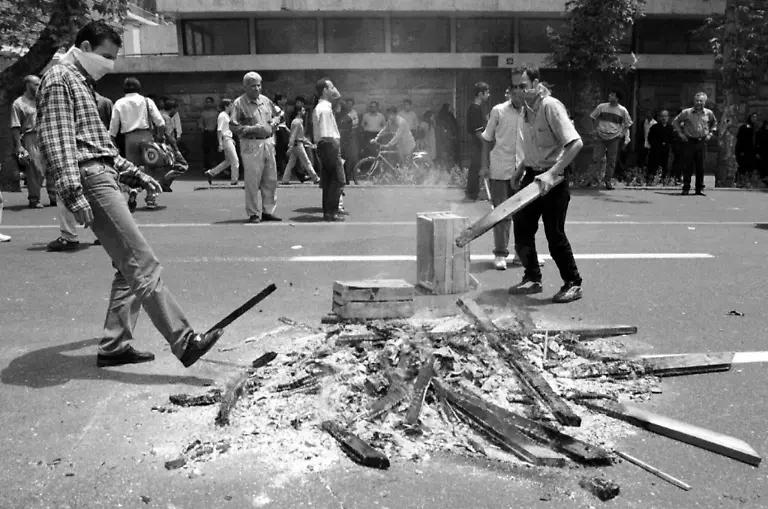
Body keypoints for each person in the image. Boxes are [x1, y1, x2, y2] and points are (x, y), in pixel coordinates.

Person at [36, 20, 224, 368]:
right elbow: (57, 141)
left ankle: (114, 346)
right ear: (86, 47)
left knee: (127, 268)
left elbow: (99, 145)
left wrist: (137, 174)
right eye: (106, 55)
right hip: (91, 178)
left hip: (101, 173)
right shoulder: (60, 78)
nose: (110, 63)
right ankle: (184, 341)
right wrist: (72, 192)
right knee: (141, 262)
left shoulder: (80, 82)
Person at [507, 66, 584, 304]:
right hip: (532, 176)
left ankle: (573, 283)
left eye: (523, 85)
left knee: (554, 234)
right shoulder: (524, 112)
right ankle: (532, 277)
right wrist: (520, 170)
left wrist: (552, 174)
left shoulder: (551, 106)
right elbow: (533, 148)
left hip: (554, 178)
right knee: (521, 226)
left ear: (536, 84)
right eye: (515, 87)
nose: (518, 91)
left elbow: (576, 144)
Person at [480, 85, 528, 271]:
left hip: (524, 170)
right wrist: (484, 166)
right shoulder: (498, 111)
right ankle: (500, 253)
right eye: (516, 94)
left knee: (524, 216)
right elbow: (486, 138)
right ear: (510, 93)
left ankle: (522, 254)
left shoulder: (532, 113)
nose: (519, 98)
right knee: (502, 214)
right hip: (501, 169)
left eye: (523, 95)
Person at [229, 72, 282, 223]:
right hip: (251, 144)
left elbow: (279, 114)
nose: (257, 88)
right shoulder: (239, 104)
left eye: (259, 85)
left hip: (268, 142)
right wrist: (252, 129)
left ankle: (268, 211)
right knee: (253, 180)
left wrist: (274, 122)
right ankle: (253, 213)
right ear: (245, 87)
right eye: (253, 86)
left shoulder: (265, 101)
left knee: (270, 178)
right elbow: (233, 126)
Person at [109, 77, 166, 210]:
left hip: (128, 138)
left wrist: (112, 142)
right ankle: (151, 197)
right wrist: (160, 137)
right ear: (139, 88)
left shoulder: (119, 103)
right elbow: (161, 123)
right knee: (150, 166)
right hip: (146, 136)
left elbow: (113, 128)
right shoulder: (147, 101)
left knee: (130, 168)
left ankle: (132, 190)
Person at [11, 75, 55, 209]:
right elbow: (15, 126)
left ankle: (54, 197)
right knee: (35, 169)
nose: (39, 86)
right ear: (27, 85)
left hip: (48, 134)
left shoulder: (43, 100)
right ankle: (34, 199)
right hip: (31, 136)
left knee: (53, 167)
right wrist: (19, 146)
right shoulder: (18, 103)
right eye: (36, 84)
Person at [312, 77, 346, 222]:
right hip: (329, 144)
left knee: (329, 180)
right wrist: (335, 145)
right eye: (331, 87)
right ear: (325, 90)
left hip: (325, 146)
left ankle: (329, 212)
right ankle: (331, 212)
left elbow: (337, 97)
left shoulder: (322, 107)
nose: (334, 90)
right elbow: (326, 134)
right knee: (338, 180)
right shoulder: (324, 109)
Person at [672, 92, 717, 196]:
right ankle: (686, 188)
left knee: (700, 166)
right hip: (689, 141)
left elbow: (714, 123)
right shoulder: (686, 112)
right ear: (694, 101)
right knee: (688, 165)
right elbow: (675, 122)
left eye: (701, 101)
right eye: (697, 100)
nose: (699, 103)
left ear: (704, 102)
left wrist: (710, 134)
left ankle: (699, 188)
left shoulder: (708, 113)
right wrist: (680, 133)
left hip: (702, 141)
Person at [590, 89, 632, 190]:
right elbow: (593, 117)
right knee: (596, 158)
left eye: (612, 95)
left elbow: (628, 123)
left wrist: (622, 134)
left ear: (617, 98)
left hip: (614, 138)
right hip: (601, 135)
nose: (610, 96)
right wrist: (594, 130)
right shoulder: (602, 107)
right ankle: (592, 179)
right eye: (610, 94)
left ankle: (607, 180)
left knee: (611, 160)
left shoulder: (622, 110)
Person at [156, 98, 189, 192]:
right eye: (176, 109)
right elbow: (169, 135)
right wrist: (175, 147)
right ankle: (163, 182)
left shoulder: (160, 116)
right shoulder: (167, 118)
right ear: (172, 108)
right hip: (169, 147)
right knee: (183, 165)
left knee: (169, 166)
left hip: (162, 146)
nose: (176, 112)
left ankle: (165, 185)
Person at [281, 105, 320, 184]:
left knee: (291, 163)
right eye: (303, 110)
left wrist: (308, 142)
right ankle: (315, 178)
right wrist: (290, 146)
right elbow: (293, 135)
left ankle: (285, 179)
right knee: (306, 162)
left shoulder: (298, 122)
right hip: (297, 145)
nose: (304, 112)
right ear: (299, 112)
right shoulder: (297, 122)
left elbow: (299, 136)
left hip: (297, 144)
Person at [205, 99, 240, 186]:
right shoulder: (222, 115)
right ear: (226, 106)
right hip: (226, 138)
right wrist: (220, 143)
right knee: (235, 160)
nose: (232, 107)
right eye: (231, 105)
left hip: (228, 138)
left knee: (228, 161)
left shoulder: (226, 115)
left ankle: (211, 172)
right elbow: (219, 130)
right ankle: (234, 180)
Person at [466, 82, 490, 200]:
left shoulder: (477, 107)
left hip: (478, 141)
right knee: (476, 166)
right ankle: (472, 192)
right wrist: (485, 141)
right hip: (477, 142)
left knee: (477, 165)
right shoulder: (475, 108)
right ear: (481, 94)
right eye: (487, 92)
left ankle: (474, 192)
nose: (489, 95)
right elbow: (477, 130)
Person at [646, 109, 676, 183]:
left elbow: (672, 138)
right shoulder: (654, 127)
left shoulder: (670, 128)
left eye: (665, 116)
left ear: (668, 117)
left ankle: (664, 179)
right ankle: (651, 179)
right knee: (653, 164)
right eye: (662, 116)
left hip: (666, 149)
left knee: (665, 164)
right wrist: (656, 144)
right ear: (659, 117)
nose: (663, 118)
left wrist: (667, 143)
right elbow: (650, 138)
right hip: (655, 149)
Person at [337, 100, 359, 184]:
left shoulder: (339, 117)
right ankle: (346, 178)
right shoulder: (345, 118)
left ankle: (344, 178)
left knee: (342, 160)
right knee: (346, 160)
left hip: (342, 142)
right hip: (345, 142)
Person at [735, 112, 759, 180]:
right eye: (753, 117)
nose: (754, 118)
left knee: (751, 166)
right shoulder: (745, 126)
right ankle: (740, 181)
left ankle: (748, 181)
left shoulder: (755, 127)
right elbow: (741, 139)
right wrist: (741, 150)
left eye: (755, 117)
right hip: (744, 150)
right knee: (743, 166)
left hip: (752, 151)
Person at [198, 96, 220, 170]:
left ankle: (218, 166)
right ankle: (207, 167)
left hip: (215, 132)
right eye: (207, 102)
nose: (208, 103)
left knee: (217, 151)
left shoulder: (217, 112)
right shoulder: (203, 113)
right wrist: (203, 129)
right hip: (207, 132)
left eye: (209, 102)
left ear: (212, 103)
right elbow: (201, 123)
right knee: (206, 151)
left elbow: (219, 123)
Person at [435, 103, 460, 169]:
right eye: (449, 107)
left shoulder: (446, 115)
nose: (450, 108)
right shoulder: (445, 115)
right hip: (447, 137)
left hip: (447, 138)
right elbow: (451, 125)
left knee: (448, 152)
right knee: (448, 152)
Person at [273, 94, 291, 179]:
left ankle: (283, 170)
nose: (285, 101)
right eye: (283, 99)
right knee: (281, 151)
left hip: (282, 130)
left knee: (283, 151)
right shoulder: (276, 109)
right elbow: (278, 121)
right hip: (279, 131)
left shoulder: (281, 109)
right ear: (278, 100)